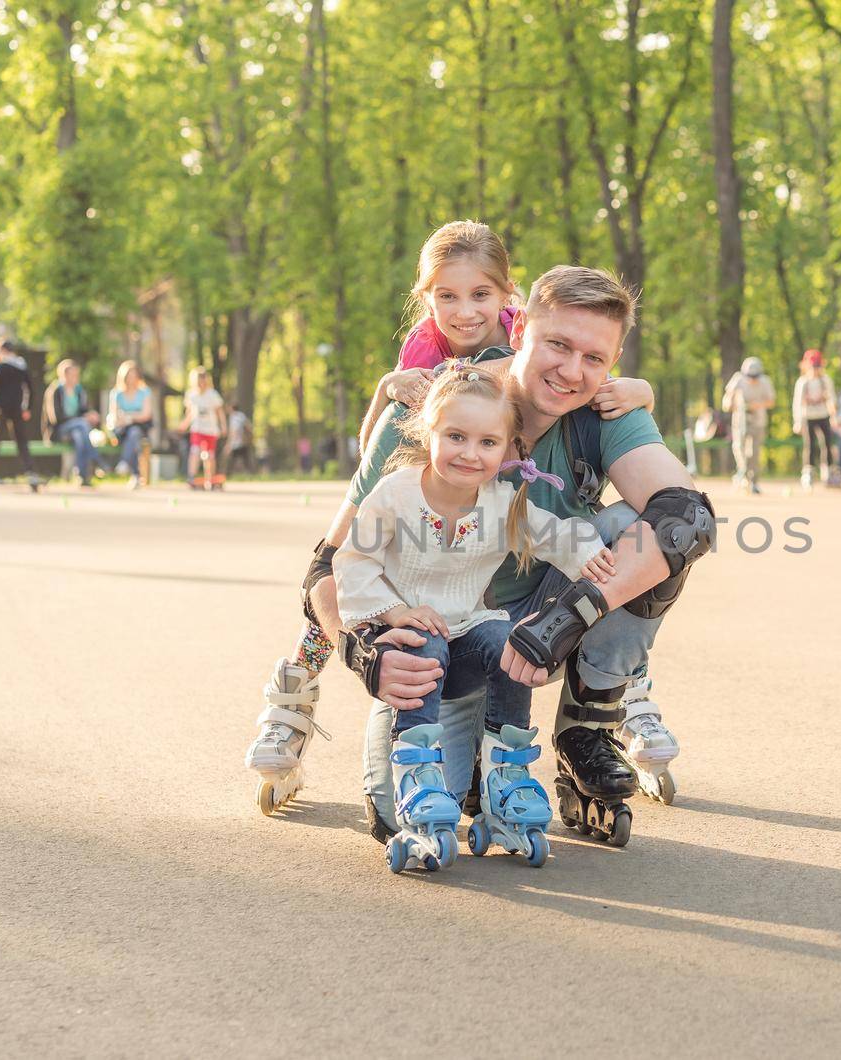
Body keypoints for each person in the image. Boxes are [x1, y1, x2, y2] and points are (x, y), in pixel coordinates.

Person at [251, 266, 716, 850]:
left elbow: (687, 519)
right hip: (440, 637)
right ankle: (468, 752)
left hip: (539, 627)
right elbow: (328, 565)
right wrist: (360, 649)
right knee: (401, 817)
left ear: (614, 361)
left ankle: (588, 729)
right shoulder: (432, 410)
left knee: (636, 527)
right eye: (558, 345)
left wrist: (558, 625)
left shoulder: (606, 411)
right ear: (520, 329)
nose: (572, 371)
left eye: (594, 358)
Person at [334, 366, 617, 872]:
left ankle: (506, 775)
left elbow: (558, 535)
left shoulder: (503, 502)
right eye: (456, 436)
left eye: (487, 442)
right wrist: (395, 613)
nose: (470, 452)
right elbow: (351, 562)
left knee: (509, 638)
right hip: (408, 649)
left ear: (508, 450)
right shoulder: (396, 494)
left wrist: (593, 554)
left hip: (468, 638)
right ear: (429, 432)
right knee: (424, 638)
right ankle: (419, 778)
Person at [357, 221, 655, 453]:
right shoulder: (424, 346)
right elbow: (374, 453)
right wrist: (386, 387)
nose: (465, 312)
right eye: (447, 296)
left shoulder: (531, 334)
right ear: (427, 300)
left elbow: (587, 374)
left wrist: (643, 392)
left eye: (480, 295)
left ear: (506, 293)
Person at [0, 338, 40, 493]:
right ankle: (29, 472)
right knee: (13, 442)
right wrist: (27, 407)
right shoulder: (18, 366)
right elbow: (30, 389)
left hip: (5, 410)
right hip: (10, 410)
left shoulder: (1, 366)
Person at [43, 359, 102, 489]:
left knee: (79, 436)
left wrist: (91, 415)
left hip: (76, 430)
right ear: (64, 375)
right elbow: (55, 418)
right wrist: (81, 418)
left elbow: (84, 410)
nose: (75, 378)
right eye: (72, 374)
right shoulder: (55, 391)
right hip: (59, 430)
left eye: (76, 374)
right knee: (82, 424)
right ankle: (96, 460)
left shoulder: (79, 391)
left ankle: (82, 476)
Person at [722, 356, 776, 494]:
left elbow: (771, 401)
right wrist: (732, 403)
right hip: (740, 420)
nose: (752, 379)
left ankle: (754, 481)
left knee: (754, 452)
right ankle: (743, 473)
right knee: (739, 447)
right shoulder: (738, 379)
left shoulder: (765, 381)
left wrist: (756, 405)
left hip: (758, 419)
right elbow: (727, 400)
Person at [792, 349, 838, 490]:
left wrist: (833, 416)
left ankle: (829, 471)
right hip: (808, 416)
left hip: (823, 415)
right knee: (810, 445)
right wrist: (798, 421)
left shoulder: (825, 380)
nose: (815, 369)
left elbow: (832, 399)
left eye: (817, 366)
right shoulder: (802, 382)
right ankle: (808, 471)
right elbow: (797, 403)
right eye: (813, 366)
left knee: (827, 444)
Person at [107, 360, 153, 486]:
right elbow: (114, 416)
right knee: (132, 437)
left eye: (134, 376)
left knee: (134, 433)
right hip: (121, 430)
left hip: (140, 428)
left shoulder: (145, 392)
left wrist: (128, 417)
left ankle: (126, 463)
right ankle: (135, 474)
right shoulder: (116, 393)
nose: (132, 379)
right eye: (129, 376)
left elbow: (146, 415)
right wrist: (129, 418)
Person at [178, 367, 225, 490]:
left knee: (209, 455)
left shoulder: (213, 395)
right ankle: (191, 476)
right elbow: (190, 413)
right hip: (197, 429)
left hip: (210, 430)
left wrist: (223, 426)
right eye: (199, 381)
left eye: (203, 380)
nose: (201, 384)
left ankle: (210, 478)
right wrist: (185, 424)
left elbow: (220, 412)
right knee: (195, 451)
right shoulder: (191, 395)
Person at [225, 406, 254, 475]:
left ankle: (228, 474)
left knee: (231, 459)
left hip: (236, 443)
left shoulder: (234, 417)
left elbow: (234, 431)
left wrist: (229, 444)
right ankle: (250, 472)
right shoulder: (241, 415)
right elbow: (249, 426)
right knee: (245, 459)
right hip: (243, 442)